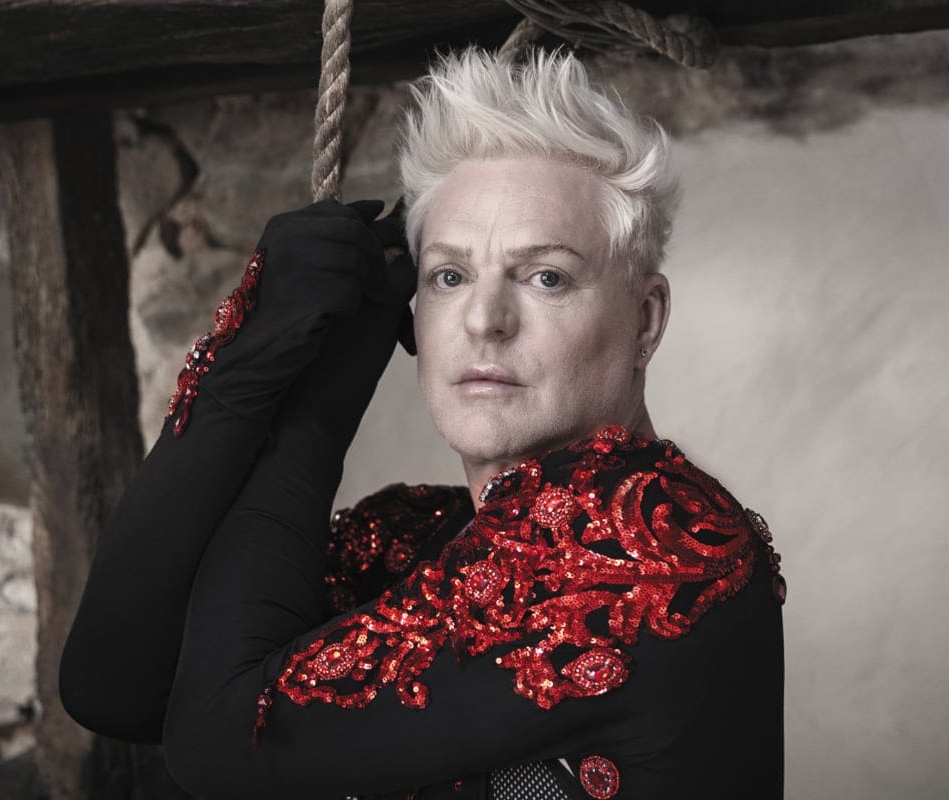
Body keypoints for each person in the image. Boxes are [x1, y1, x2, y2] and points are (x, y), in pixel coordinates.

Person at [59, 47, 785, 800]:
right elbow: (114, 688)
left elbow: (219, 743)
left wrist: (308, 411)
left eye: (547, 277)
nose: (484, 319)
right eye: (450, 275)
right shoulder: (415, 541)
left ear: (646, 318)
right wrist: (251, 370)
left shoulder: (648, 540)